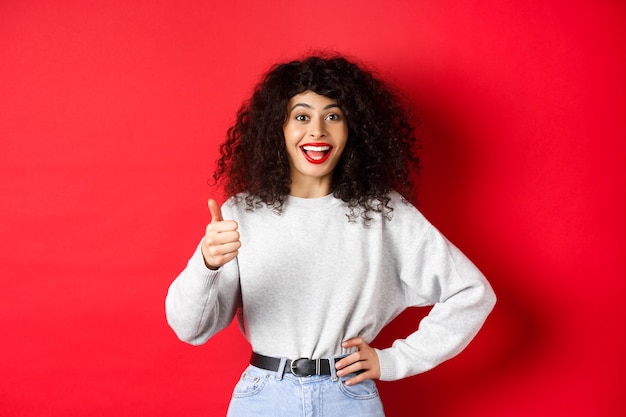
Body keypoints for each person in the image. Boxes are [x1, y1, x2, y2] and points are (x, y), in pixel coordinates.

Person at [165, 54, 496, 416]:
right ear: (278, 127)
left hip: (348, 397)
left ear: (352, 128)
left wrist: (395, 360)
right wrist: (207, 263)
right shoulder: (241, 214)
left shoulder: (384, 212)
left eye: (333, 116)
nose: (317, 131)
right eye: (302, 116)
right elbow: (190, 329)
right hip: (264, 397)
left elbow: (471, 292)